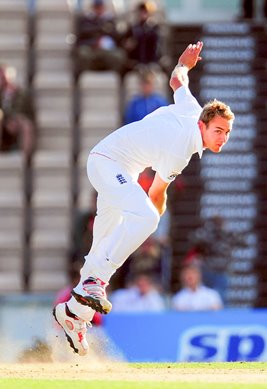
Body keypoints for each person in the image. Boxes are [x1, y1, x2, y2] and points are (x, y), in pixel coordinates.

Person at [53, 41, 235, 356]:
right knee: (148, 218)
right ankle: (99, 280)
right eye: (218, 131)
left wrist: (184, 64)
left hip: (119, 169)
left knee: (100, 246)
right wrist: (154, 217)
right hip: (108, 162)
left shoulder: (193, 108)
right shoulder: (182, 150)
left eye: (227, 132)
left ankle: (73, 315)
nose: (223, 138)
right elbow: (156, 195)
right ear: (203, 126)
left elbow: (178, 81)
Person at [73, 0, 126, 79]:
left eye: (100, 7)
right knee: (82, 53)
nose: (99, 10)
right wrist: (94, 41)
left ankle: (117, 80)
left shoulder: (110, 20)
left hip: (107, 51)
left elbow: (117, 38)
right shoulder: (85, 21)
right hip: (91, 49)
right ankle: (82, 79)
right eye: (97, 7)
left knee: (119, 55)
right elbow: (80, 37)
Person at [0, 65, 35, 159]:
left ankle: (26, 158)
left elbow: (26, 110)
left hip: (16, 121)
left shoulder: (20, 94)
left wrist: (15, 119)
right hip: (3, 123)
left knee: (26, 125)